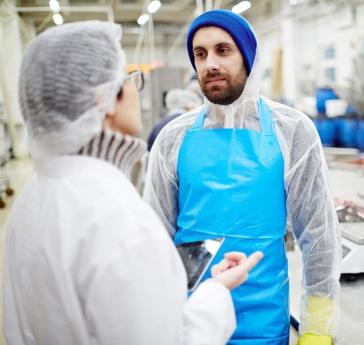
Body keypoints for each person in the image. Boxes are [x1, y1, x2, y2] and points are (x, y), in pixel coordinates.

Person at [4, 21, 263, 345]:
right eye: (129, 78)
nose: (134, 89)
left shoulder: (32, 199)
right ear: (107, 99)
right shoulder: (120, 221)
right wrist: (216, 292)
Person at [144, 9, 340, 345]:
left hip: (264, 323)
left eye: (223, 50)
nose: (210, 64)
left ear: (247, 58)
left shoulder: (292, 131)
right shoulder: (173, 138)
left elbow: (319, 237)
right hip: (188, 323)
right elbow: (154, 240)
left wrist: (317, 330)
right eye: (200, 54)